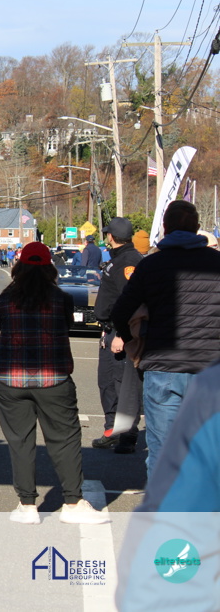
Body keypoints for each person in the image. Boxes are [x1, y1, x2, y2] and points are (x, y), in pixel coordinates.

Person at [0, 241, 108, 525]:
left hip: (9, 377)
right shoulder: (61, 298)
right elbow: (65, 326)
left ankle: (27, 505)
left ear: (18, 267)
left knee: (20, 441)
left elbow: (2, 325)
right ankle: (72, 502)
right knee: (64, 439)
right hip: (53, 376)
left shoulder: (5, 298)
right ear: (49, 268)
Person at [111, 200, 220, 478]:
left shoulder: (151, 265)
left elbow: (121, 311)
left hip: (163, 364)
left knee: (162, 452)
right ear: (197, 228)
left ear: (165, 227)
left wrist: (134, 341)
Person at [91, 217, 143, 454]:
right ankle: (112, 429)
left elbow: (130, 301)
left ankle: (126, 435)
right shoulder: (119, 259)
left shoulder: (128, 262)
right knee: (107, 383)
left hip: (120, 332)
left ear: (111, 236)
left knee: (123, 385)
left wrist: (122, 334)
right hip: (110, 329)